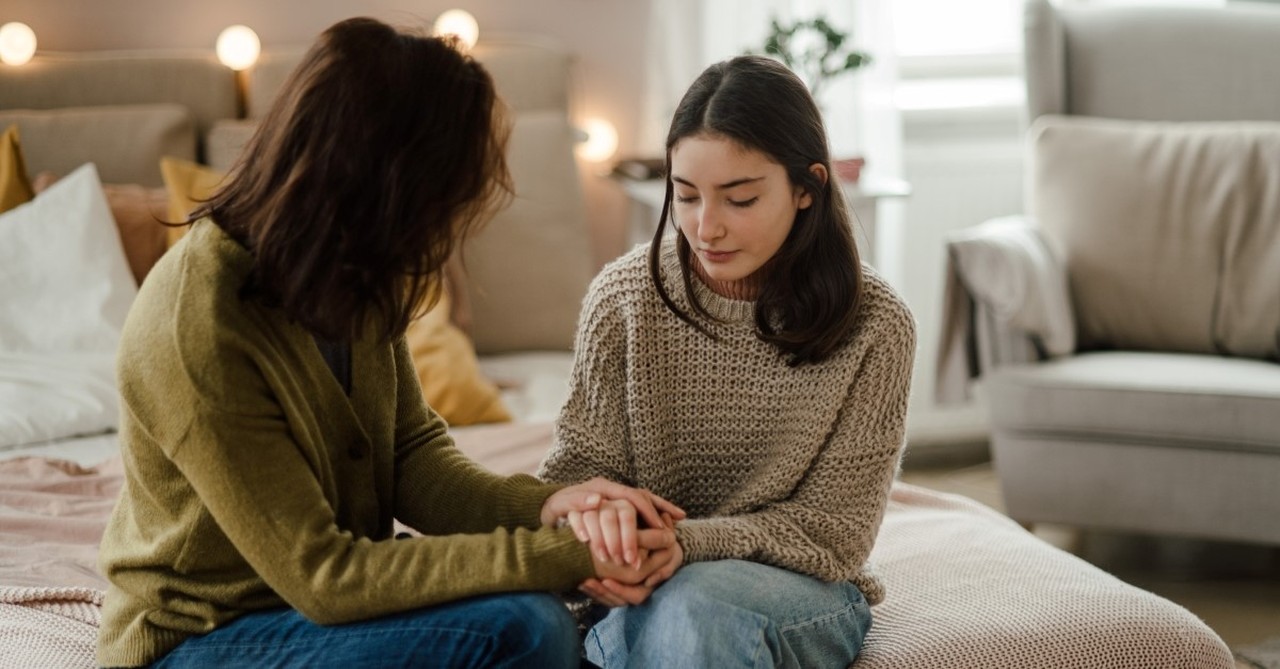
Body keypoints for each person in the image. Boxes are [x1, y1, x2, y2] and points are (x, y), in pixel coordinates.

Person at [96, 17, 684, 669]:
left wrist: (549, 507)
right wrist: (563, 556)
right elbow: (326, 576)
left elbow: (412, 459)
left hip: (317, 612)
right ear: (385, 184)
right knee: (523, 628)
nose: (448, 228)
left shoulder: (354, 272)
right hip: (202, 635)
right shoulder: (200, 324)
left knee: (548, 614)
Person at [538, 54, 917, 668]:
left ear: (807, 188)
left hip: (799, 587)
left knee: (695, 606)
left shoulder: (876, 323)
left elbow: (835, 533)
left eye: (739, 199)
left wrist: (688, 543)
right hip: (644, 582)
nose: (705, 227)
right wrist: (602, 524)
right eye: (685, 196)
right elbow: (574, 482)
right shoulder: (623, 300)